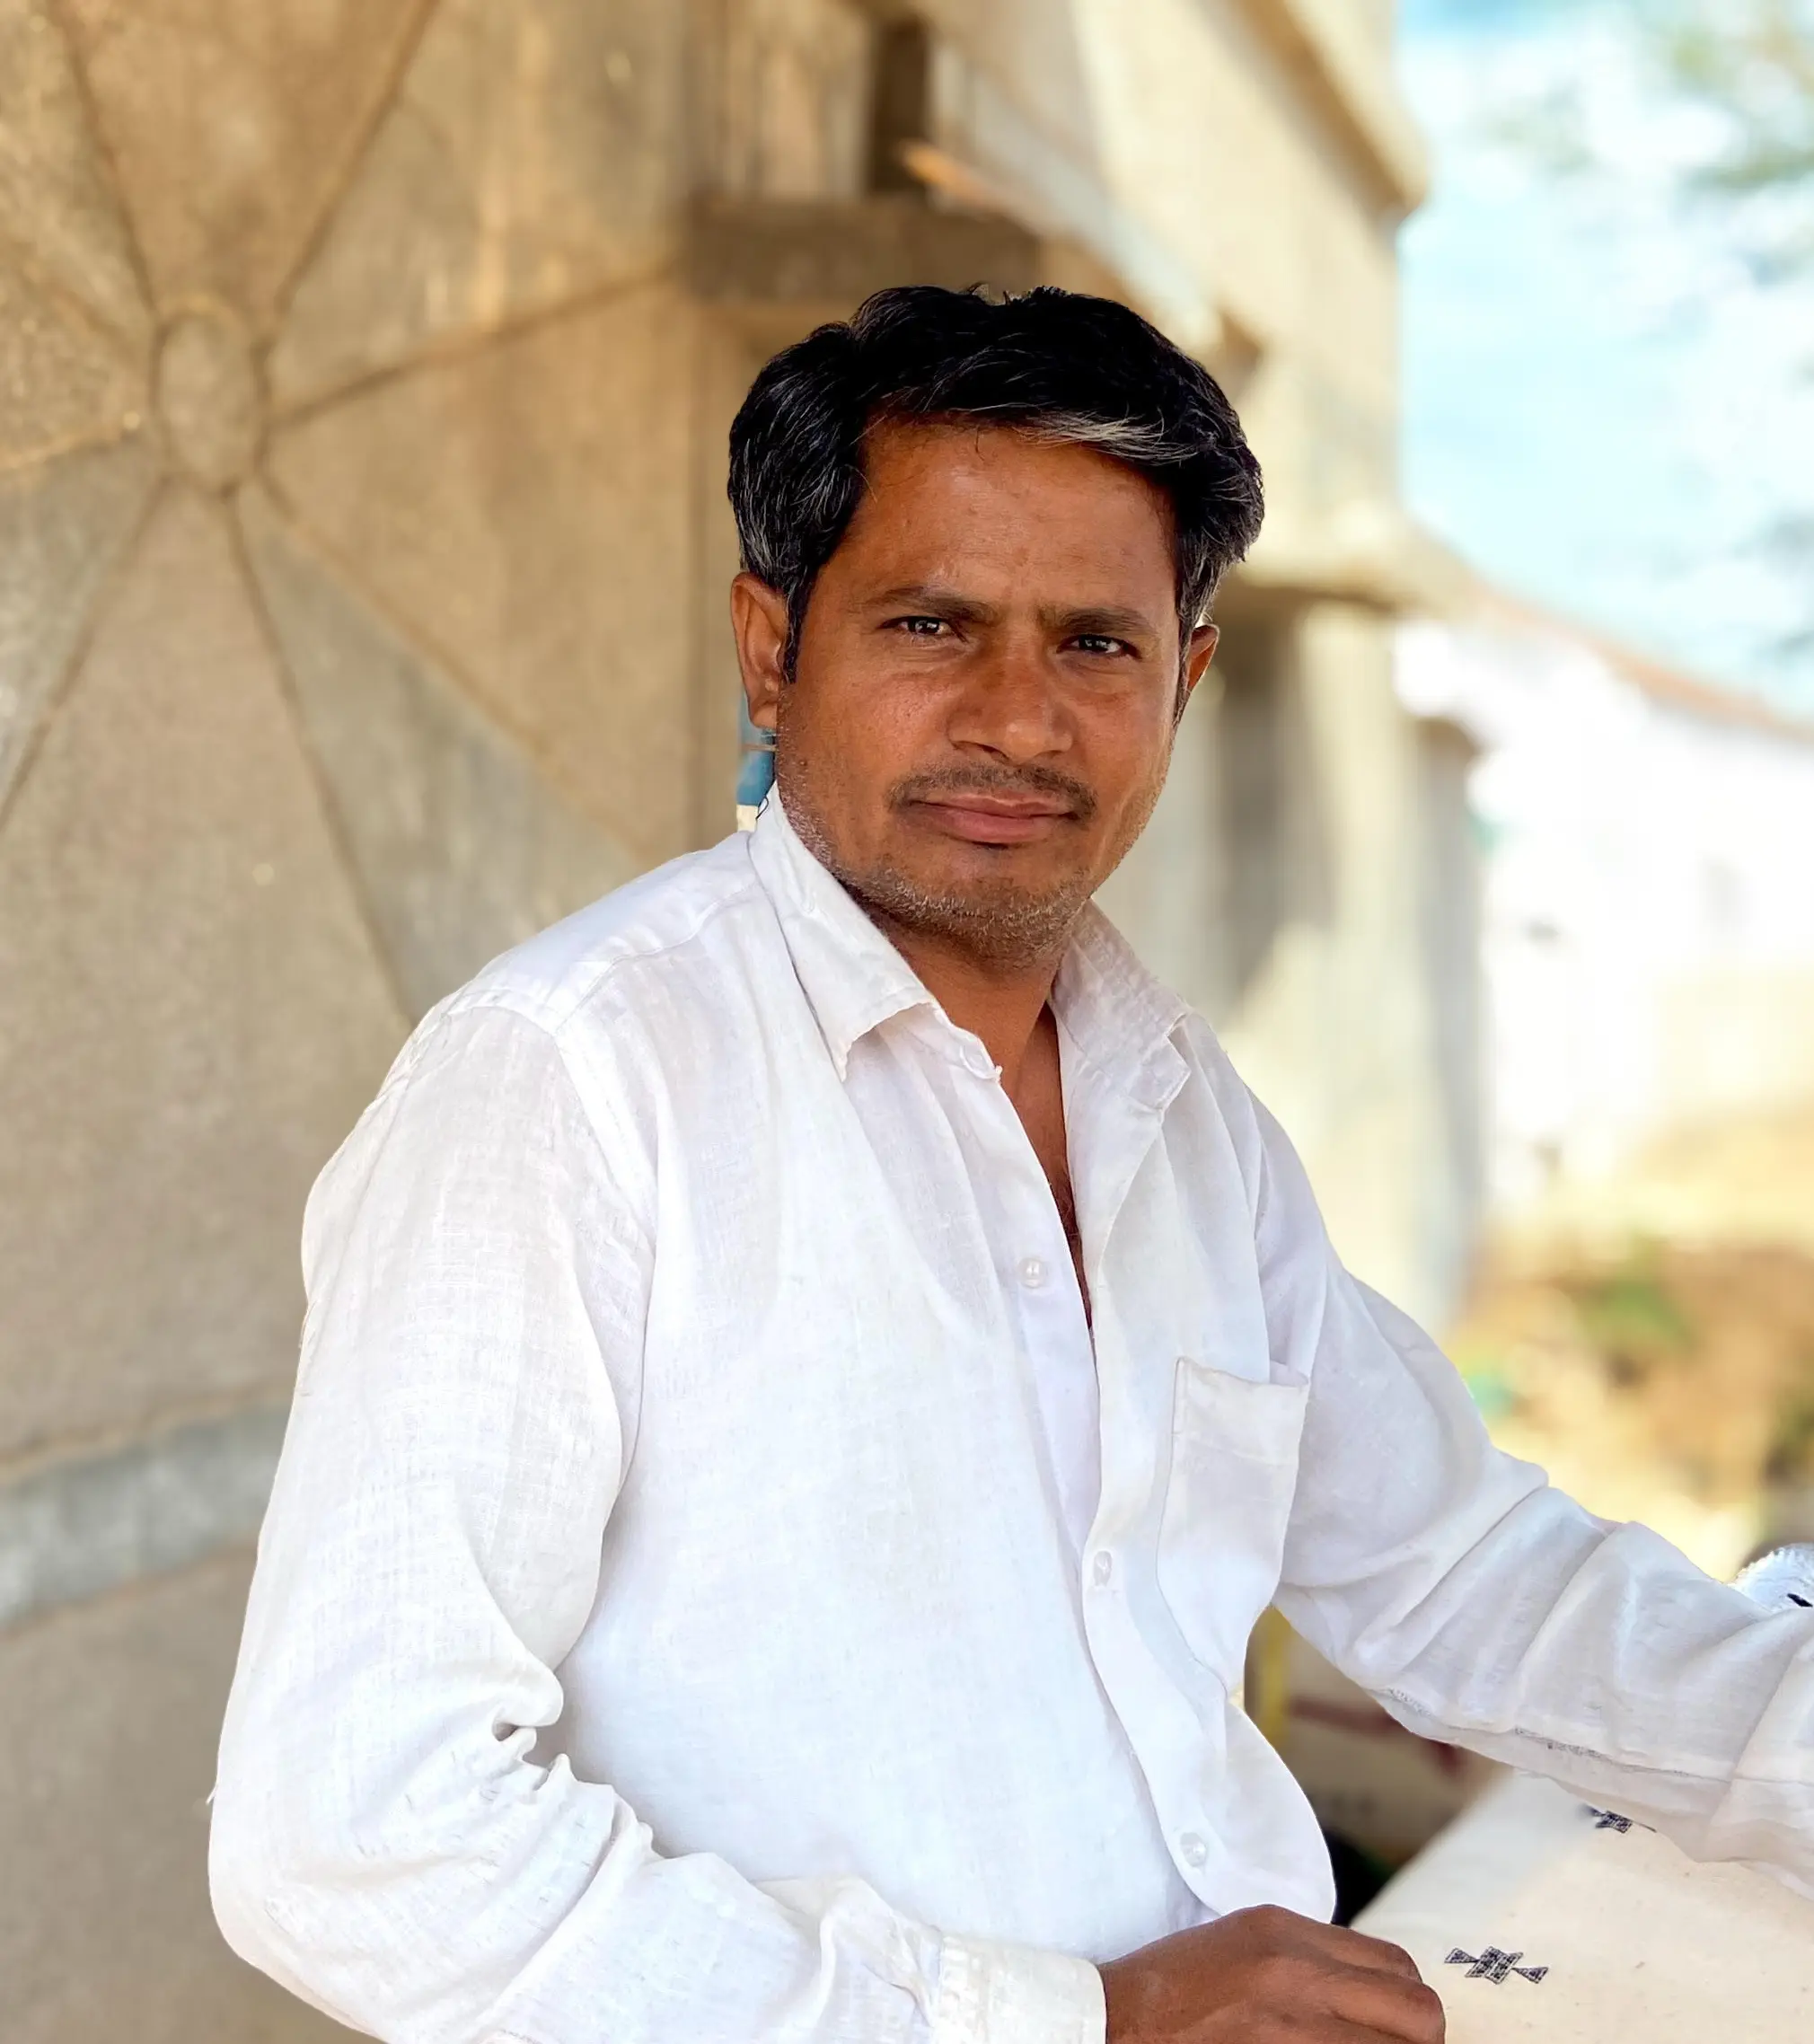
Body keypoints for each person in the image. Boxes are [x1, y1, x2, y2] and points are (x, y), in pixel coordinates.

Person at [208, 286, 1814, 2044]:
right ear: (770, 650)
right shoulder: (570, 1083)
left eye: (1095, 645)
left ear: (1185, 677)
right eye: (931, 624)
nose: (1020, 719)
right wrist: (1078, 2020)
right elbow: (355, 1836)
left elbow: (1460, 1573)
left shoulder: (1178, 1114)